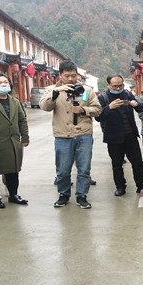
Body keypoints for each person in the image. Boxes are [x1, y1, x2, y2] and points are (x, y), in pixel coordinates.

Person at [39, 60, 101, 209]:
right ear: (60, 75)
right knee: (63, 169)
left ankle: (82, 196)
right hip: (63, 135)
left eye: (73, 75)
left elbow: (98, 109)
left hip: (84, 134)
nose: (71, 79)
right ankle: (63, 194)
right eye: (67, 76)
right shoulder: (52, 89)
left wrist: (84, 110)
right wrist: (55, 93)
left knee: (84, 168)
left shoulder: (86, 90)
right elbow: (45, 106)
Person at [96, 74, 143, 196]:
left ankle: (141, 186)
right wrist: (109, 107)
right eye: (115, 86)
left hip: (130, 135)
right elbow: (98, 117)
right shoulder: (103, 98)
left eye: (120, 85)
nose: (118, 88)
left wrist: (136, 104)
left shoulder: (127, 94)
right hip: (113, 137)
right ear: (108, 85)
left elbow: (141, 108)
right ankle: (120, 187)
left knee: (137, 162)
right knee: (117, 164)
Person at [0, 72, 30, 208]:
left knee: (13, 170)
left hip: (13, 141)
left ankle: (13, 194)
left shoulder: (14, 101)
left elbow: (22, 120)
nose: (3, 85)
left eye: (5, 82)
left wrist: (25, 137)